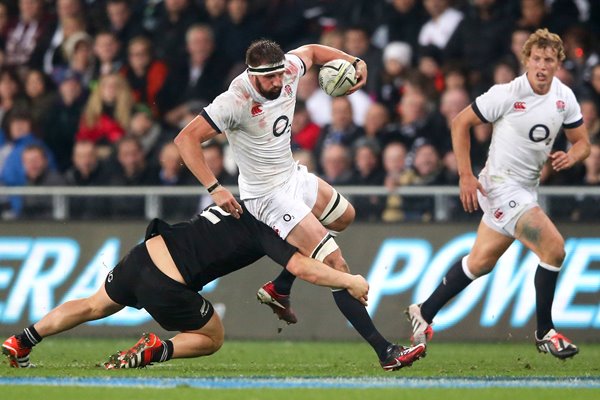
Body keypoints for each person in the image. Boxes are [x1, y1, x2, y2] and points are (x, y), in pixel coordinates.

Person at [174, 39, 406, 366]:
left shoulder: (288, 71)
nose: (278, 83)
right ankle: (385, 351)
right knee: (336, 265)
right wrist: (214, 188)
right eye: (269, 78)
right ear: (253, 75)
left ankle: (280, 287)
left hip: (292, 177)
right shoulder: (235, 100)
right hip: (266, 196)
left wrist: (352, 60)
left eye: (280, 75)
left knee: (344, 217)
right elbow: (185, 139)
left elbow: (311, 51)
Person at [1, 203, 426, 371]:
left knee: (93, 304)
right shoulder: (267, 229)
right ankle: (156, 348)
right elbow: (307, 268)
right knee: (211, 338)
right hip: (170, 281)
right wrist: (350, 279)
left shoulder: (235, 200)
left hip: (145, 253)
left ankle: (22, 340)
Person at [405, 28, 590, 360]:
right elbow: (460, 123)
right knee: (555, 249)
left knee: (479, 264)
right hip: (501, 187)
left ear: (559, 63)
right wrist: (465, 175)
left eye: (549, 60)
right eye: (536, 58)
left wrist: (571, 156)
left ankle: (424, 311)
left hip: (525, 190)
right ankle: (545, 331)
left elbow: (584, 144)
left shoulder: (565, 97)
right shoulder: (507, 93)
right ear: (527, 60)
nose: (542, 66)